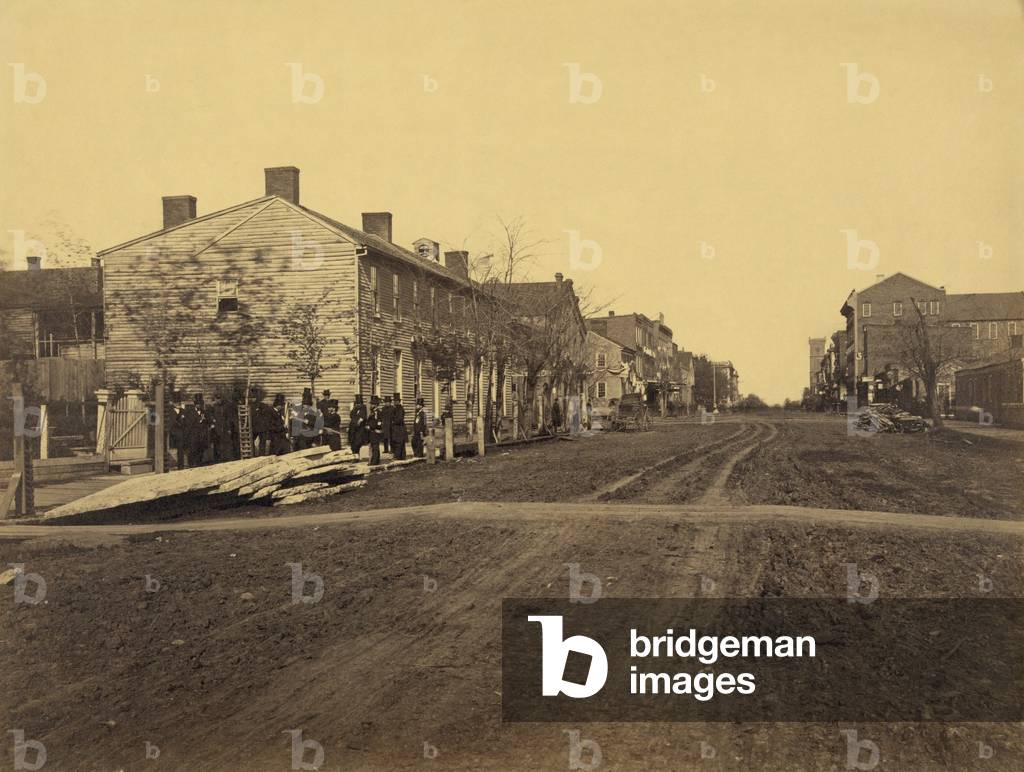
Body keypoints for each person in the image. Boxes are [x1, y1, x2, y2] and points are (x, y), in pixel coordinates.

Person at [366, 395, 384, 465]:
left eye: (373, 404)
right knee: (372, 446)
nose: (371, 405)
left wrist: (370, 427)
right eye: (371, 404)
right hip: (371, 432)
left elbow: (378, 423)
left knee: (375, 447)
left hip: (375, 432)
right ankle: (373, 460)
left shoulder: (378, 413)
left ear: (376, 405)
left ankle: (374, 461)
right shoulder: (372, 412)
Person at [391, 392, 408, 460]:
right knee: (399, 442)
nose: (394, 402)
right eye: (394, 401)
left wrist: (393, 421)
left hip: (399, 428)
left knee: (399, 442)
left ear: (398, 401)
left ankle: (398, 456)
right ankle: (402, 456)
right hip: (396, 428)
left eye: (395, 401)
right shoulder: (395, 408)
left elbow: (399, 419)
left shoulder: (400, 409)